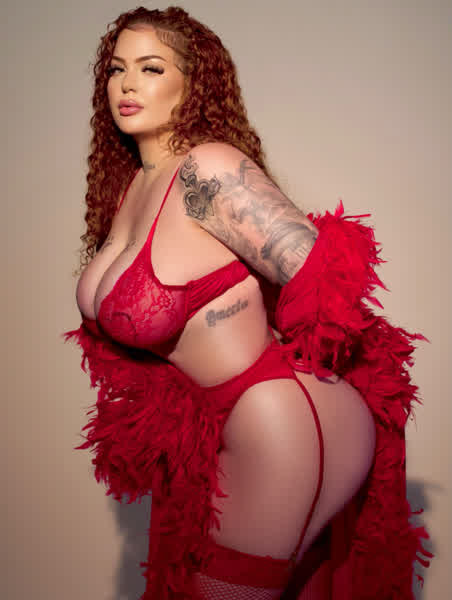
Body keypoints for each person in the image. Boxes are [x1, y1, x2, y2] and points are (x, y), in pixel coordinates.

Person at [63, 6, 431, 599]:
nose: (127, 84)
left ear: (194, 83)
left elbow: (324, 275)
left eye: (151, 68)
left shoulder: (206, 170)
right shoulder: (133, 185)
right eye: (116, 69)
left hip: (275, 419)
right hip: (216, 428)